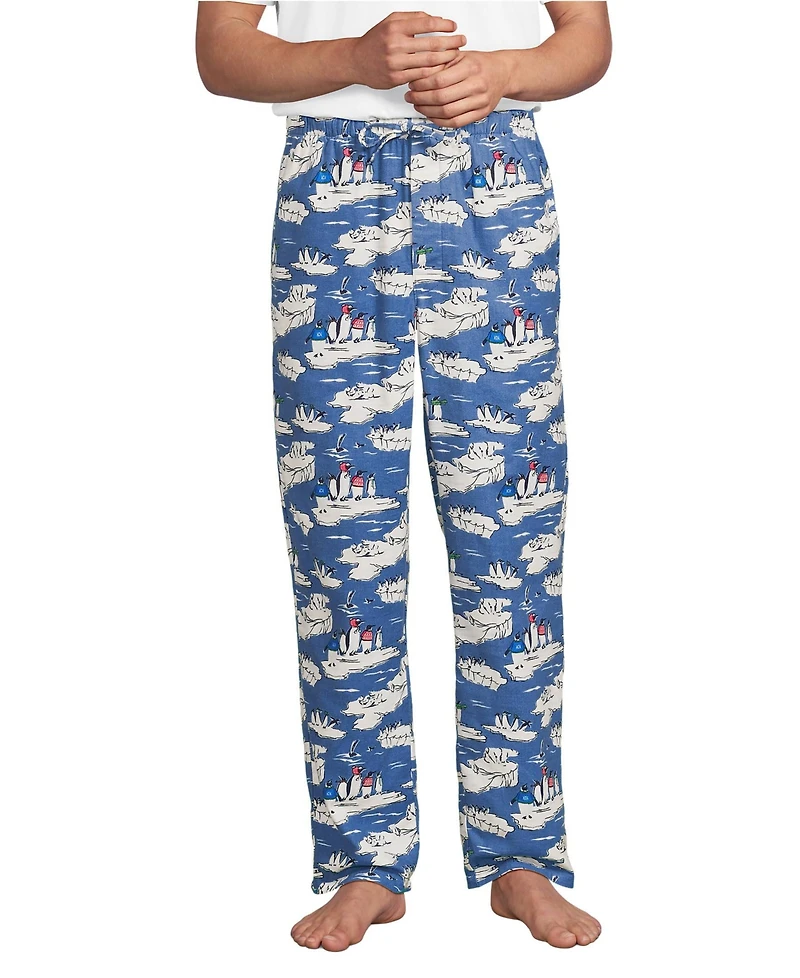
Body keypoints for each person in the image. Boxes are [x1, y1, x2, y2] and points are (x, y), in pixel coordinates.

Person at [195, 0, 611, 952]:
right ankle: (363, 862)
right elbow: (221, 52)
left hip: (493, 172)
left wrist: (505, 72)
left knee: (512, 537)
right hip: (333, 178)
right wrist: (350, 55)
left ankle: (521, 852)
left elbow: (587, 39)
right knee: (341, 542)